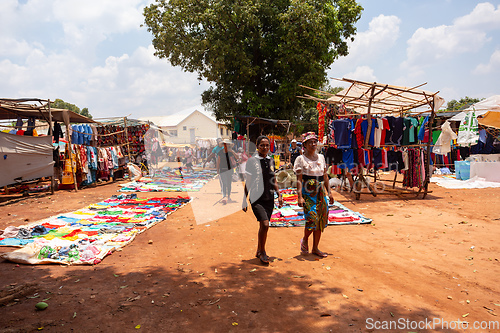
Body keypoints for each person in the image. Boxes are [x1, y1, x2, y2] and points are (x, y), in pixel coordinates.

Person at [242, 136, 283, 265]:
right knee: (265, 224)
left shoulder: (271, 160)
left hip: (269, 198)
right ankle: (263, 252)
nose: (265, 148)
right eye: (262, 145)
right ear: (257, 146)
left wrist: (279, 194)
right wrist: (244, 199)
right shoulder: (251, 161)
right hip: (256, 198)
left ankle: (259, 250)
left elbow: (273, 178)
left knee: (263, 226)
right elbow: (248, 181)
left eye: (267, 145)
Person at [293, 132, 334, 258]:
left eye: (315, 141)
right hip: (307, 193)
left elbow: (325, 176)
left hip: (321, 193)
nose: (313, 144)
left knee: (321, 219)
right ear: (304, 144)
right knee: (312, 218)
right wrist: (299, 196)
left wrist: (330, 193)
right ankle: (305, 239)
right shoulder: (300, 159)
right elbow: (299, 179)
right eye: (310, 142)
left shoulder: (321, 157)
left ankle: (315, 248)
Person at [216, 139, 237, 204]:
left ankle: (229, 196)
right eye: (225, 144)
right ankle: (224, 196)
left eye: (227, 144)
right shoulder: (220, 152)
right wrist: (217, 170)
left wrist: (233, 152)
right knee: (224, 183)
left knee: (229, 183)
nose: (226, 145)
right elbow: (218, 161)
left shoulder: (230, 152)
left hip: (229, 170)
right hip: (222, 169)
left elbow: (237, 158)